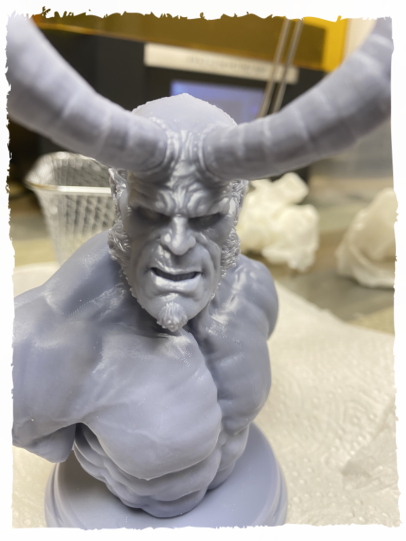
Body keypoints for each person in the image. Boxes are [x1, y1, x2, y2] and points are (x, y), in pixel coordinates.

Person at [0, 96, 278, 517]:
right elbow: (39, 437)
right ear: (118, 193)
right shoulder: (40, 341)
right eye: (149, 213)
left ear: (238, 203)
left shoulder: (253, 287)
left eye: (207, 217)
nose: (178, 244)